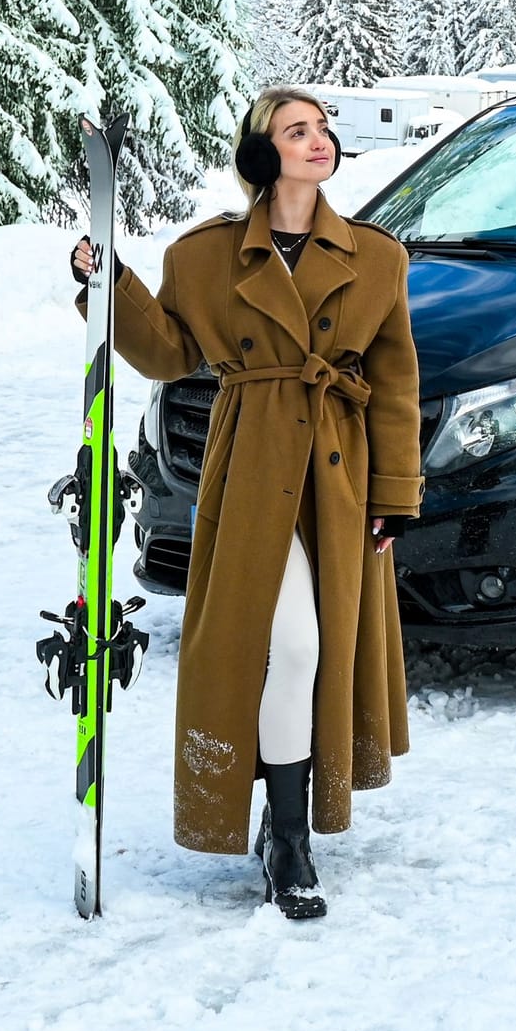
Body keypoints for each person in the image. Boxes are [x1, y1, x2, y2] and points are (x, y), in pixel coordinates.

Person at [69, 84, 423, 919]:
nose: (318, 142)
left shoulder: (377, 258)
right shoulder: (205, 257)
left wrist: (395, 493)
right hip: (254, 468)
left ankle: (285, 829)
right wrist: (106, 282)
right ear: (261, 155)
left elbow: (398, 379)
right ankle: (289, 842)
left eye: (323, 130)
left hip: (336, 476)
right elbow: (164, 350)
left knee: (316, 647)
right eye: (297, 131)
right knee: (293, 645)